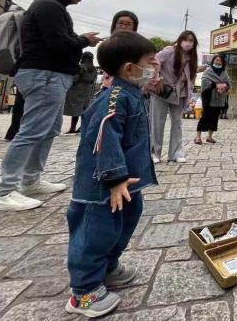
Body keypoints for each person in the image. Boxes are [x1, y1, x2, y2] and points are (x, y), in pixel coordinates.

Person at [0, 0, 102, 212]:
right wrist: (84, 40)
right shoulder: (48, 7)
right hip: (44, 74)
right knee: (31, 130)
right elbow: (58, 44)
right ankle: (5, 191)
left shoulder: (53, 7)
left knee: (48, 129)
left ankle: (31, 179)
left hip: (52, 75)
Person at [66, 30, 157, 318]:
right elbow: (104, 139)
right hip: (102, 186)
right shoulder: (113, 98)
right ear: (130, 68)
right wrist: (115, 177)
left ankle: (108, 267)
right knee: (95, 233)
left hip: (126, 184)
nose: (154, 68)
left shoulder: (133, 94)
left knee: (124, 223)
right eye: (151, 62)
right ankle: (84, 291)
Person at [150, 30, 199, 162]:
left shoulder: (192, 57)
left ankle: (176, 153)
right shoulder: (170, 50)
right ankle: (155, 153)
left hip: (180, 93)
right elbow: (154, 61)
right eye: (186, 40)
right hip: (162, 91)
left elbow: (192, 76)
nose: (188, 43)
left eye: (191, 41)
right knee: (157, 122)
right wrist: (156, 77)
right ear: (180, 39)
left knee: (177, 123)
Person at [196, 55, 231, 144]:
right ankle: (198, 137)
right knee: (205, 116)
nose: (218, 62)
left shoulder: (224, 72)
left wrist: (225, 86)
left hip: (220, 97)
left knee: (215, 118)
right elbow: (204, 81)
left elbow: (229, 82)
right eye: (216, 60)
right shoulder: (208, 71)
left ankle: (210, 137)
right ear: (213, 61)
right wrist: (215, 85)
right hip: (209, 97)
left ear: (222, 63)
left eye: (220, 61)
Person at [101, 11, 139, 90]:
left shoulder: (138, 45)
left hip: (129, 86)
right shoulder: (108, 43)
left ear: (134, 27)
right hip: (108, 85)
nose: (124, 26)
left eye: (128, 24)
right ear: (114, 25)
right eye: (121, 23)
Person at [64, 52, 98, 133]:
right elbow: (93, 80)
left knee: (76, 111)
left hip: (77, 91)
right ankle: (83, 127)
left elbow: (75, 79)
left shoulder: (80, 67)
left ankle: (72, 128)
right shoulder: (94, 69)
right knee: (84, 110)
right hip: (87, 91)